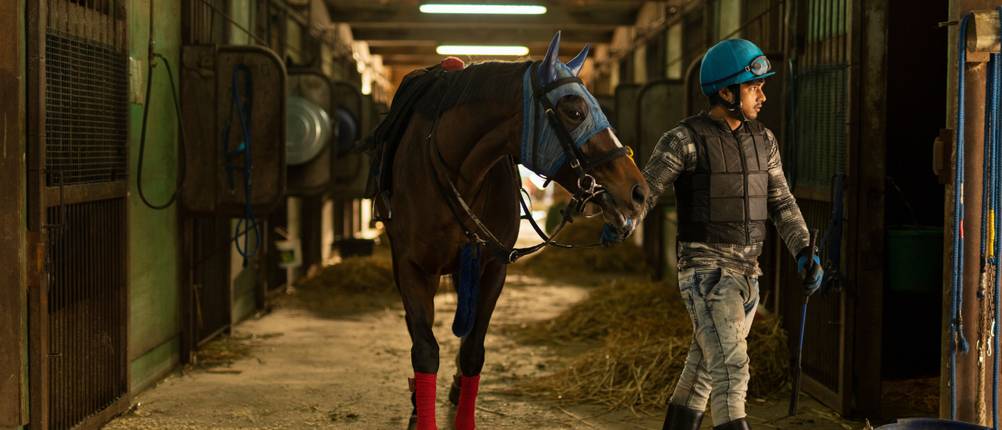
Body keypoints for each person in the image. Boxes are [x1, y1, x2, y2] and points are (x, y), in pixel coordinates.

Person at [635, 39, 823, 430]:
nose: (762, 96)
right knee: (731, 372)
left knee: (704, 369)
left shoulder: (764, 140)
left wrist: (803, 248)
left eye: (760, 87)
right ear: (725, 91)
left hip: (747, 272)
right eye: (753, 87)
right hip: (707, 272)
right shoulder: (683, 140)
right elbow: (645, 192)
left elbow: (782, 202)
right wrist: (614, 219)